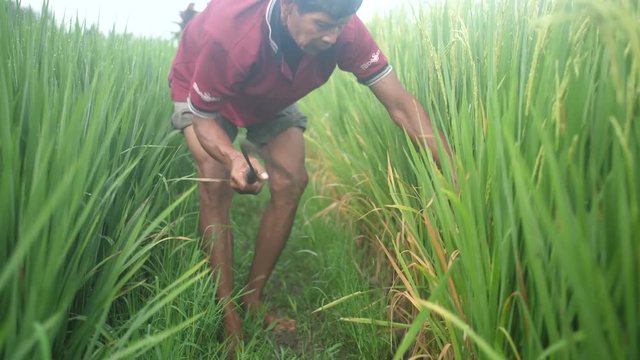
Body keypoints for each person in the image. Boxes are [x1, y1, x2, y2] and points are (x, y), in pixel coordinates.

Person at [168, 0, 455, 350]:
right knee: (214, 182)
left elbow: (400, 105)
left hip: (268, 92)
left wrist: (455, 173)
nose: (333, 37)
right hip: (204, 92)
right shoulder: (228, 36)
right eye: (321, 24)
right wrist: (232, 159)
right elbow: (203, 120)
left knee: (291, 182)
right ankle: (227, 316)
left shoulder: (344, 29)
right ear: (289, 7)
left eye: (340, 25)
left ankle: (252, 300)